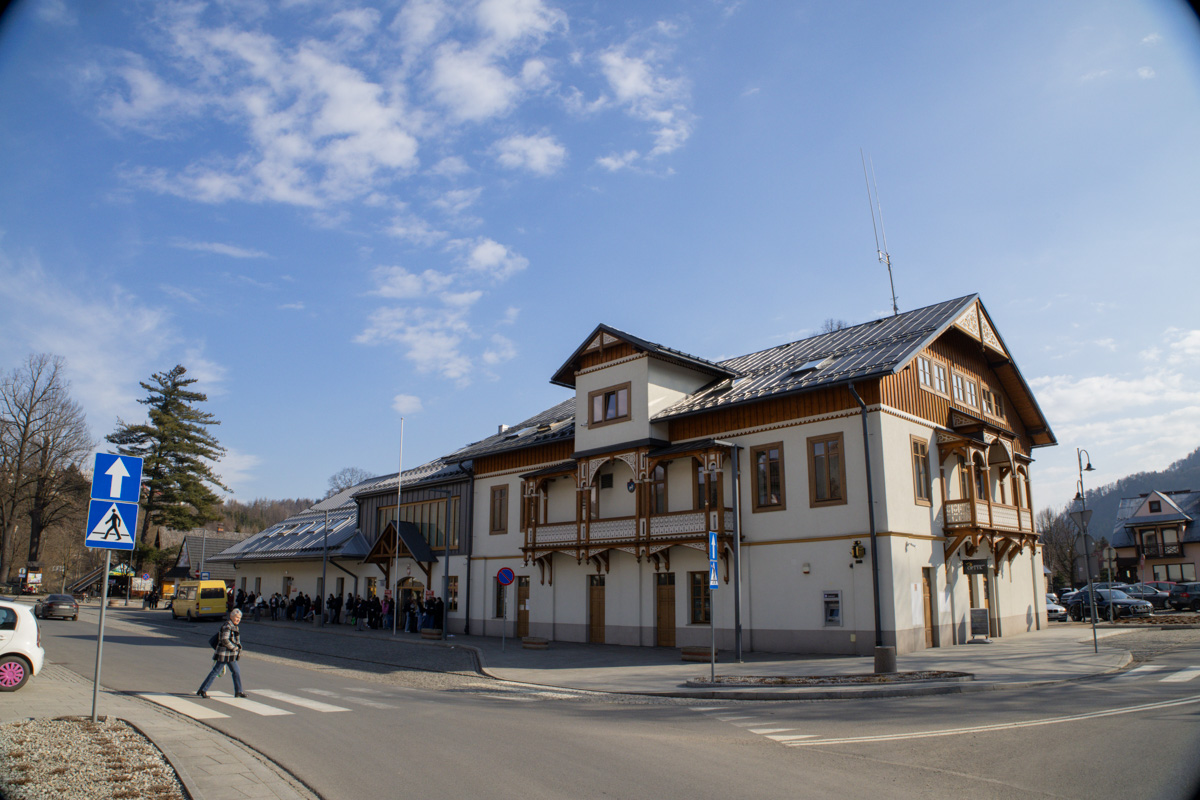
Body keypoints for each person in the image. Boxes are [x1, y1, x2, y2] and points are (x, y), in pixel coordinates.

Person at [196, 608, 246, 699]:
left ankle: (239, 691)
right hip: (224, 654)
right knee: (216, 671)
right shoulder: (227, 626)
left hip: (229, 655)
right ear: (231, 616)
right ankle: (203, 690)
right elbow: (224, 639)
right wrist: (233, 647)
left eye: (239, 618)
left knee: (236, 671)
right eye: (236, 617)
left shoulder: (234, 626)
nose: (238, 619)